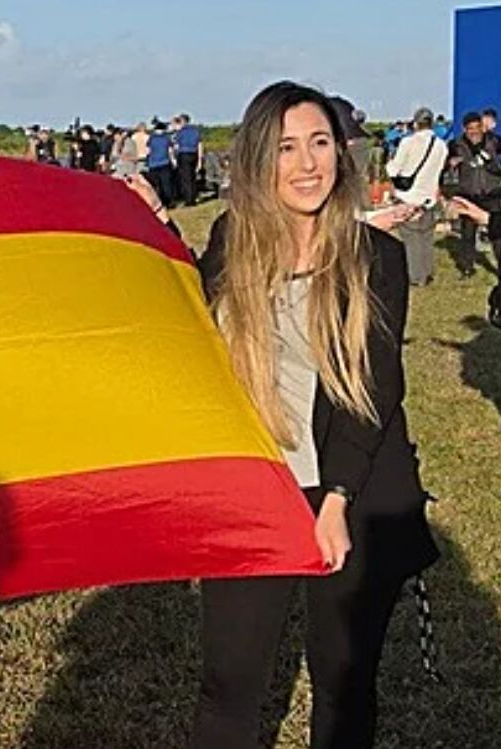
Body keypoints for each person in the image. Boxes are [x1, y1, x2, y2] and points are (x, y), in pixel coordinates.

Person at [149, 80, 438, 749]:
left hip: (351, 488)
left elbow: (372, 387)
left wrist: (334, 500)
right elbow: (191, 311)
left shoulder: (377, 257)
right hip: (256, 488)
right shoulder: (233, 239)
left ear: (341, 151)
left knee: (343, 679)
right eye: (286, 147)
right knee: (229, 681)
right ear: (258, 160)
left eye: (320, 142)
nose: (308, 163)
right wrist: (156, 225)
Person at [386, 106, 449, 285]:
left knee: (411, 239)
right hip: (429, 197)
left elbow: (394, 169)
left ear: (416, 123)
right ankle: (428, 271)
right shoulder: (441, 145)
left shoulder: (408, 142)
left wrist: (389, 164)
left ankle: (416, 276)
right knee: (426, 237)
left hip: (408, 196)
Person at [448, 112, 501, 277]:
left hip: (492, 193)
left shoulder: (494, 141)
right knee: (467, 234)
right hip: (468, 194)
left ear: (482, 127)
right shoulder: (455, 144)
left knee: (497, 233)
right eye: (470, 129)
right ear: (464, 129)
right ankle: (467, 267)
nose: (474, 132)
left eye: (477, 127)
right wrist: (451, 163)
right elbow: (446, 164)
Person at [173, 114, 204, 205]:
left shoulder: (181, 132)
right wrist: (200, 159)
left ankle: (189, 200)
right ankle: (193, 196)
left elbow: (176, 145)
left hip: (184, 154)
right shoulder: (195, 131)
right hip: (194, 154)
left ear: (182, 121)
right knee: (192, 177)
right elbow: (200, 145)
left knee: (185, 178)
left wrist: (174, 157)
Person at [145, 120, 176, 207]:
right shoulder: (167, 138)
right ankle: (169, 202)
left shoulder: (151, 138)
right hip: (165, 163)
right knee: (166, 184)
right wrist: (173, 161)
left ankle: (159, 202)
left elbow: (148, 151)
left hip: (153, 164)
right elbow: (170, 151)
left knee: (156, 185)